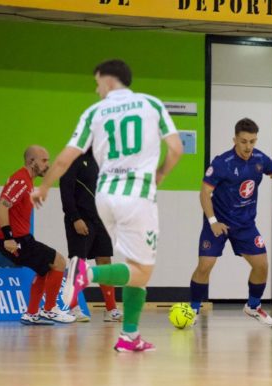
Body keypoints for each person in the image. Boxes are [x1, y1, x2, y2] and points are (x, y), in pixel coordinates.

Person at [32, 59, 183, 352]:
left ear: (108, 79)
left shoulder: (94, 112)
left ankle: (129, 336)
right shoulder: (150, 104)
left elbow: (65, 158)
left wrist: (45, 186)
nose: (96, 88)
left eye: (97, 81)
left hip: (105, 198)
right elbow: (176, 148)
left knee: (131, 268)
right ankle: (87, 275)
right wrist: (161, 175)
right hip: (137, 196)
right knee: (141, 272)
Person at [188, 118, 272, 326]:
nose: (248, 146)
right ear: (235, 140)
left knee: (262, 265)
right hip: (218, 222)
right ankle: (193, 310)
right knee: (205, 265)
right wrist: (212, 221)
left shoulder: (259, 159)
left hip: (245, 224)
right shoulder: (222, 163)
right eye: (243, 141)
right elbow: (204, 193)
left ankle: (253, 306)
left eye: (252, 141)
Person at [0, 145, 75, 325]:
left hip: (21, 238)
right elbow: (2, 206)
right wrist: (7, 237)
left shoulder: (27, 181)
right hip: (17, 240)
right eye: (44, 160)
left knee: (44, 268)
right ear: (32, 162)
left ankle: (31, 314)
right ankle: (49, 310)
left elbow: (11, 210)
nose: (48, 164)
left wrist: (0, 235)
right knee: (59, 262)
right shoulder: (21, 180)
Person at [59, 148, 123, 323]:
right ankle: (73, 308)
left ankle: (111, 310)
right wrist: (75, 218)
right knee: (78, 263)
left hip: (100, 220)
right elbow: (66, 191)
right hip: (81, 219)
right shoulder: (72, 159)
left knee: (105, 262)